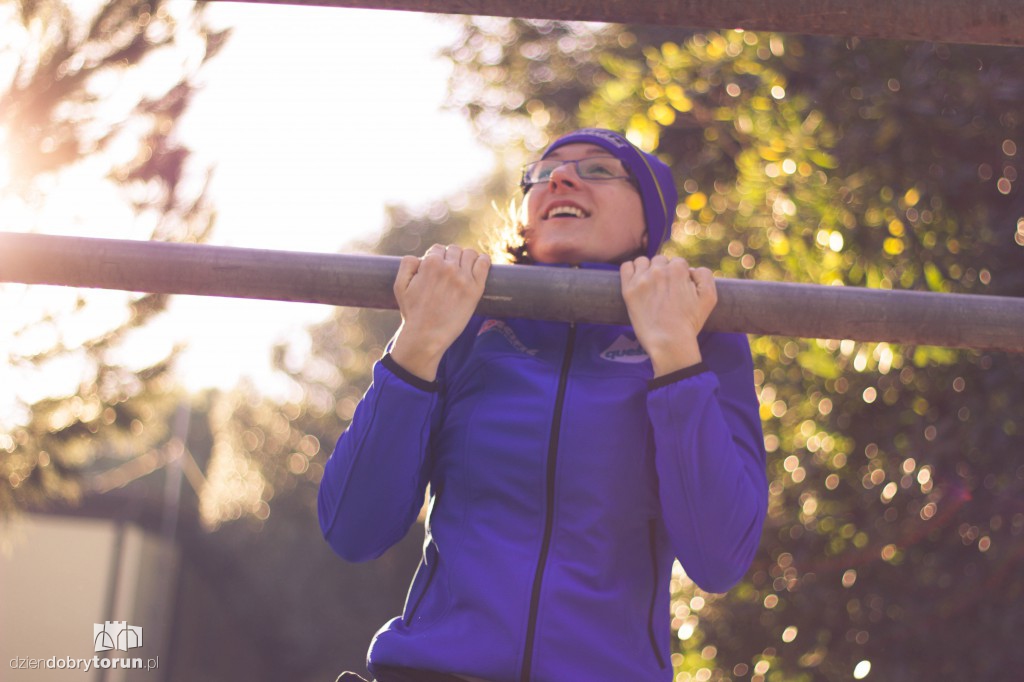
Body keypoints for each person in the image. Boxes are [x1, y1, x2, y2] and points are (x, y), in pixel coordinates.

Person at [320, 129, 767, 682]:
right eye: (543, 172)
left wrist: (674, 352)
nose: (561, 178)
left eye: (599, 169)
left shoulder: (703, 337)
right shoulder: (459, 320)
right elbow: (353, 529)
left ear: (650, 220)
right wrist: (417, 344)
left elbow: (720, 557)